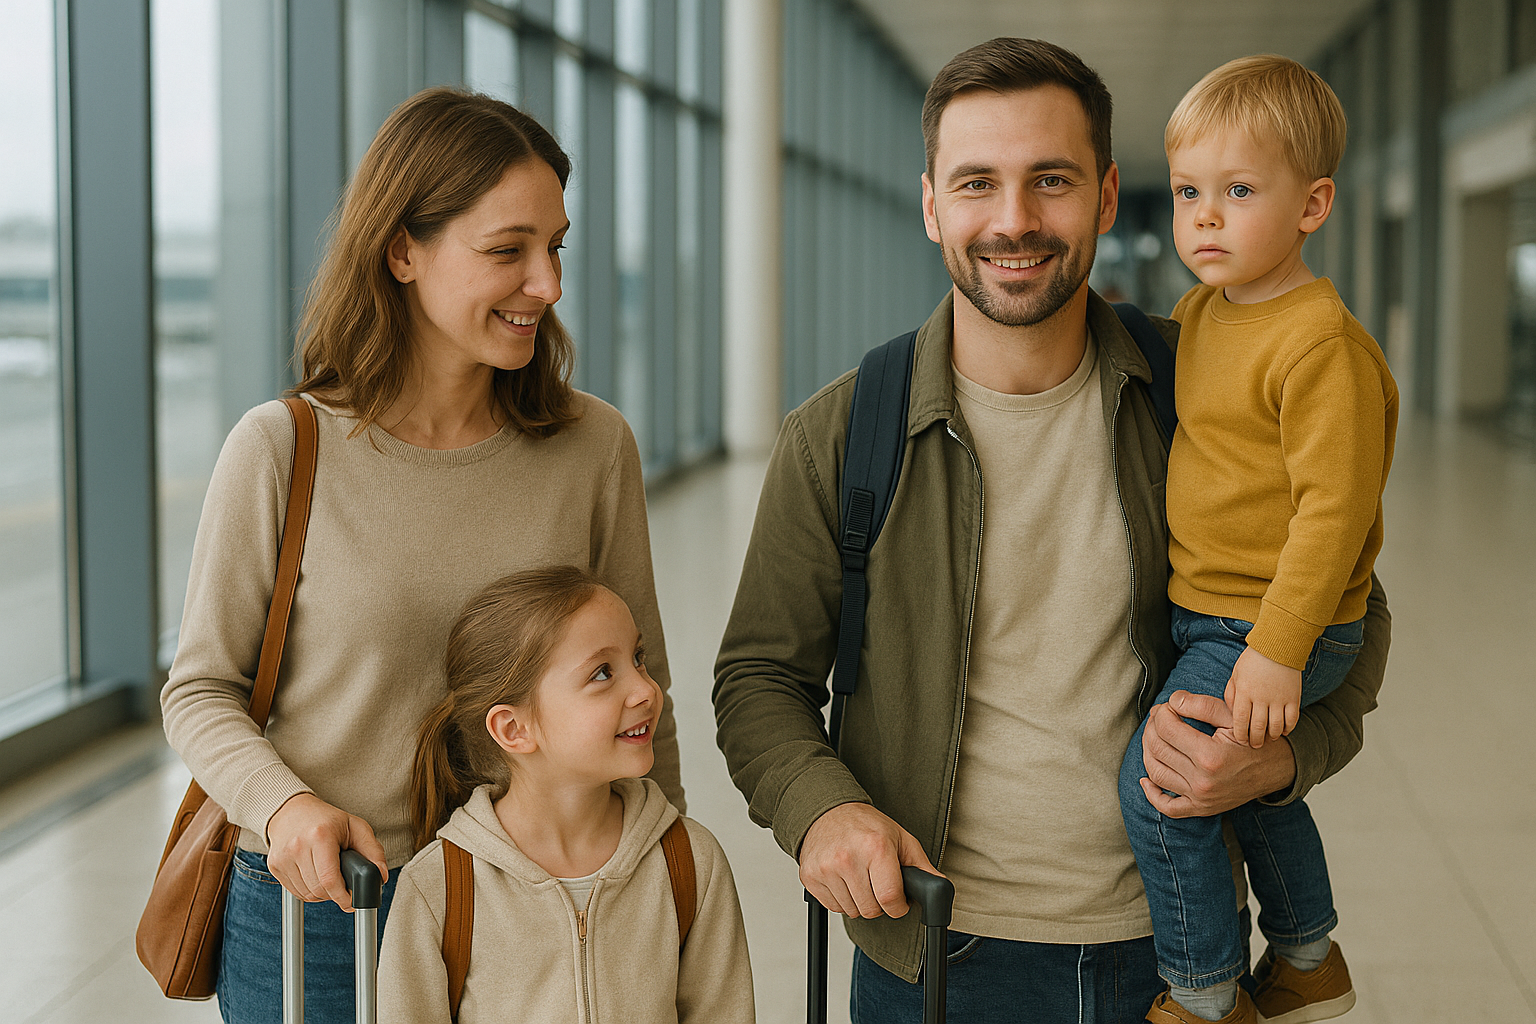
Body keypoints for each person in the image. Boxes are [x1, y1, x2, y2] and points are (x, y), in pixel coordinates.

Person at [712, 37, 1391, 1024]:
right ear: (932, 203)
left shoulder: (1194, 385)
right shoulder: (843, 435)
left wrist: (1277, 761)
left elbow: (1351, 613)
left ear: (1108, 197)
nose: (1015, 219)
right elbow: (758, 680)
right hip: (934, 955)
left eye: (1053, 181)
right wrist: (824, 809)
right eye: (978, 181)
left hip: (1169, 955)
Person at [160, 89, 685, 1024]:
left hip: (521, 901)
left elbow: (645, 688)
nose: (548, 284)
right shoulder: (284, 447)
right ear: (402, 249)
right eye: (507, 250)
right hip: (321, 914)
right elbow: (200, 689)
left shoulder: (592, 447)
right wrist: (283, 808)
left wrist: (667, 877)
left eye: (555, 247)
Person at [1117, 56, 1397, 1024]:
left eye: (1238, 192)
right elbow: (1162, 346)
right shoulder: (1204, 312)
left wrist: (1278, 649)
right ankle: (1310, 959)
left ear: (1313, 204)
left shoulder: (1321, 346)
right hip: (1216, 614)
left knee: (1166, 783)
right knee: (1239, 789)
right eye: (1191, 191)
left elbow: (1334, 513)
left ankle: (1203, 993)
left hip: (1277, 624)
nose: (1204, 217)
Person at [376, 566, 753, 1022]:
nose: (645, 689)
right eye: (602, 673)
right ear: (514, 729)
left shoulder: (691, 862)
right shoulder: (439, 886)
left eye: (638, 658)